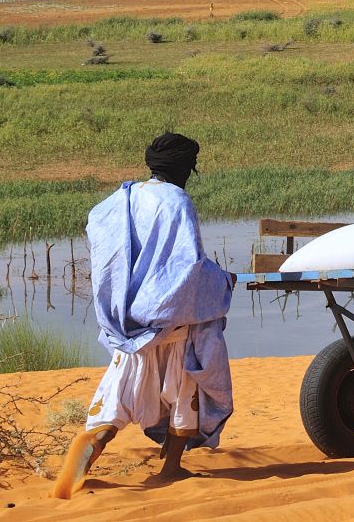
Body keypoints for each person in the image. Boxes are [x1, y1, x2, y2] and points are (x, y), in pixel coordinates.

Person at [52, 133, 234, 499]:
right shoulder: (177, 201)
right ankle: (171, 469)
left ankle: (90, 447)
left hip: (130, 324)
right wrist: (222, 280)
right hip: (172, 324)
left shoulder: (122, 199)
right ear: (185, 168)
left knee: (118, 397)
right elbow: (188, 269)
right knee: (185, 393)